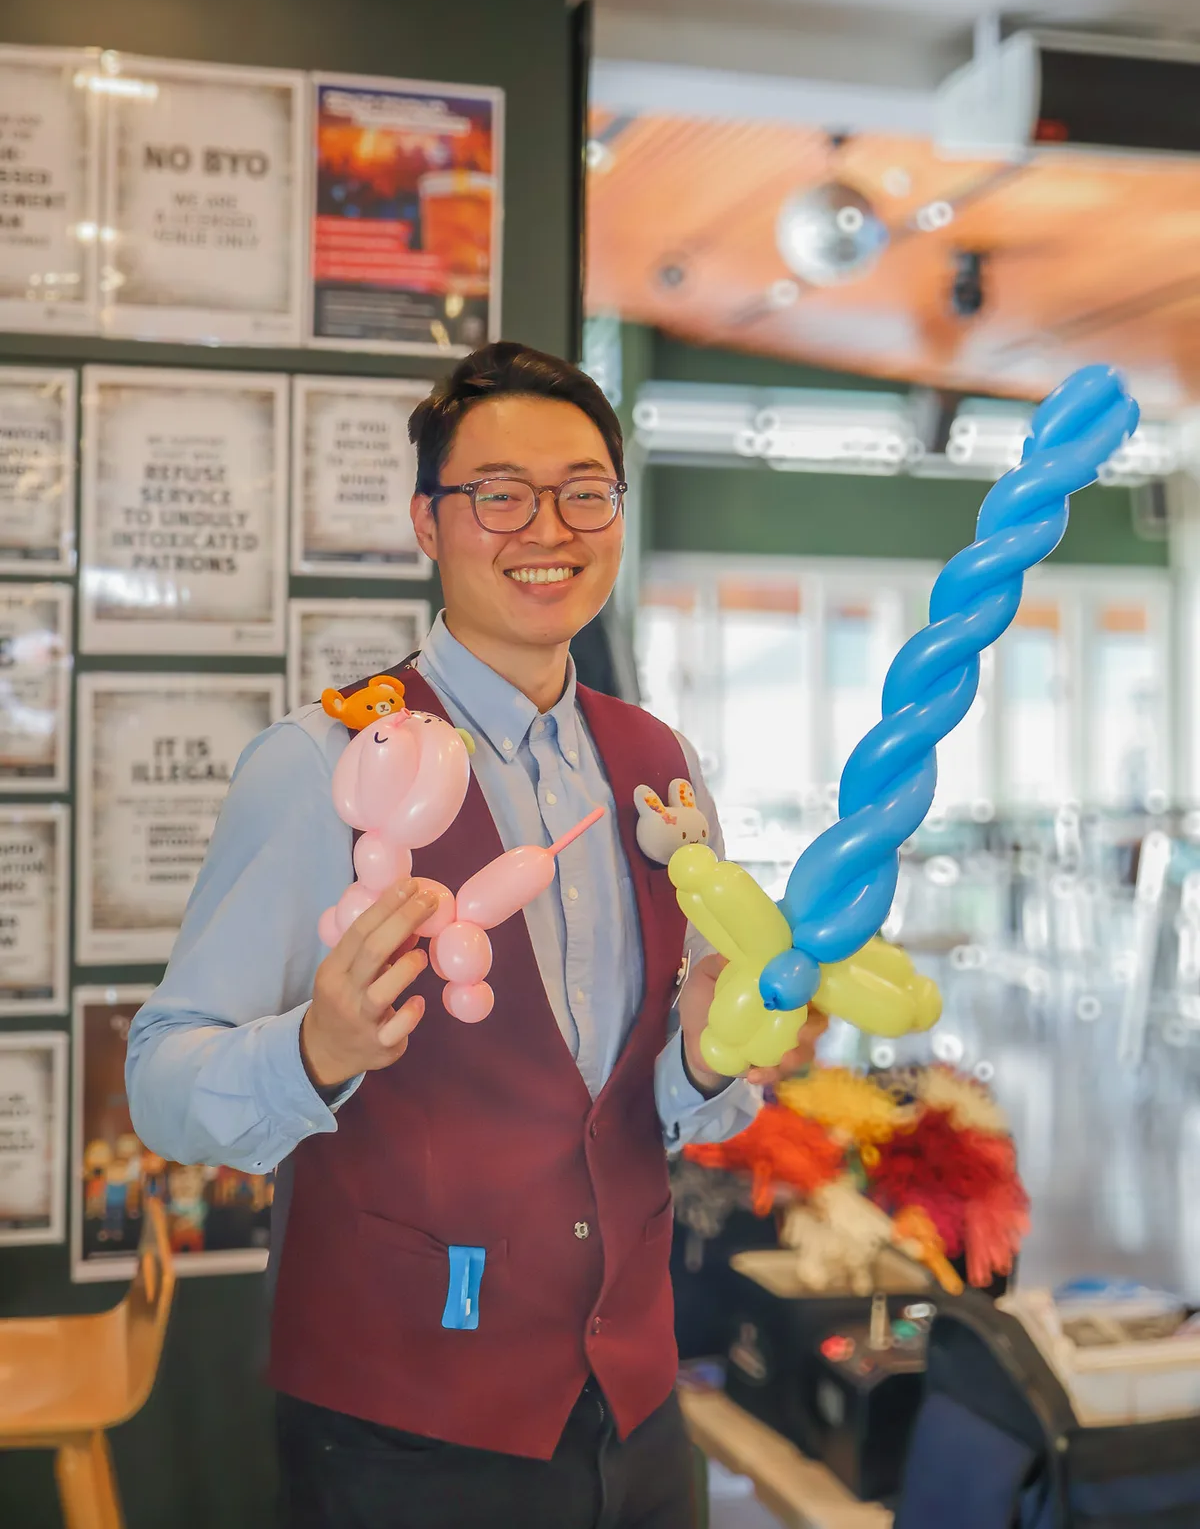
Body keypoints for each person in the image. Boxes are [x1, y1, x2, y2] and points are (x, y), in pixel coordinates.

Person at [127, 342, 826, 1529]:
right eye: (498, 493)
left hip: (641, 1408)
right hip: (405, 1428)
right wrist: (316, 1050)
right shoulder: (326, 763)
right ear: (428, 523)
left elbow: (623, 1108)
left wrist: (707, 1057)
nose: (545, 526)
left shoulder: (658, 765)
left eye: (584, 490)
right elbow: (162, 1079)